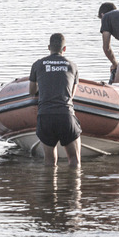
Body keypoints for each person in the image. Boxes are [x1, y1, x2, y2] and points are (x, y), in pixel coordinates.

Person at [29, 32, 82, 168]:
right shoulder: (72, 66)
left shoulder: (38, 65)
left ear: (49, 47)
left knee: (50, 162)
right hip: (65, 116)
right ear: (64, 49)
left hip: (45, 116)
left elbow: (31, 92)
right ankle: (75, 187)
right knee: (74, 161)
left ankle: (49, 188)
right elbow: (71, 95)